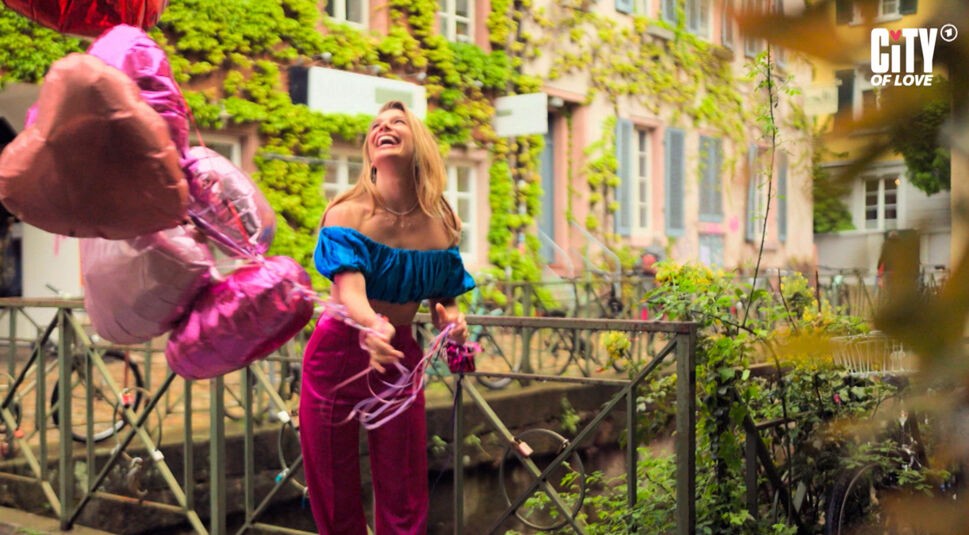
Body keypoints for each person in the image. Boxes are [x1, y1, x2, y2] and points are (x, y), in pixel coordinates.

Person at [299, 100, 475, 534]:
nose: (384, 128)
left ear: (419, 142)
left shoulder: (443, 222)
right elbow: (350, 289)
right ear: (370, 150)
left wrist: (454, 321)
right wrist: (373, 323)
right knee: (334, 489)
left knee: (405, 487)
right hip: (339, 353)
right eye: (376, 125)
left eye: (397, 122)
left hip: (399, 358)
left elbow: (446, 298)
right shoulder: (346, 212)